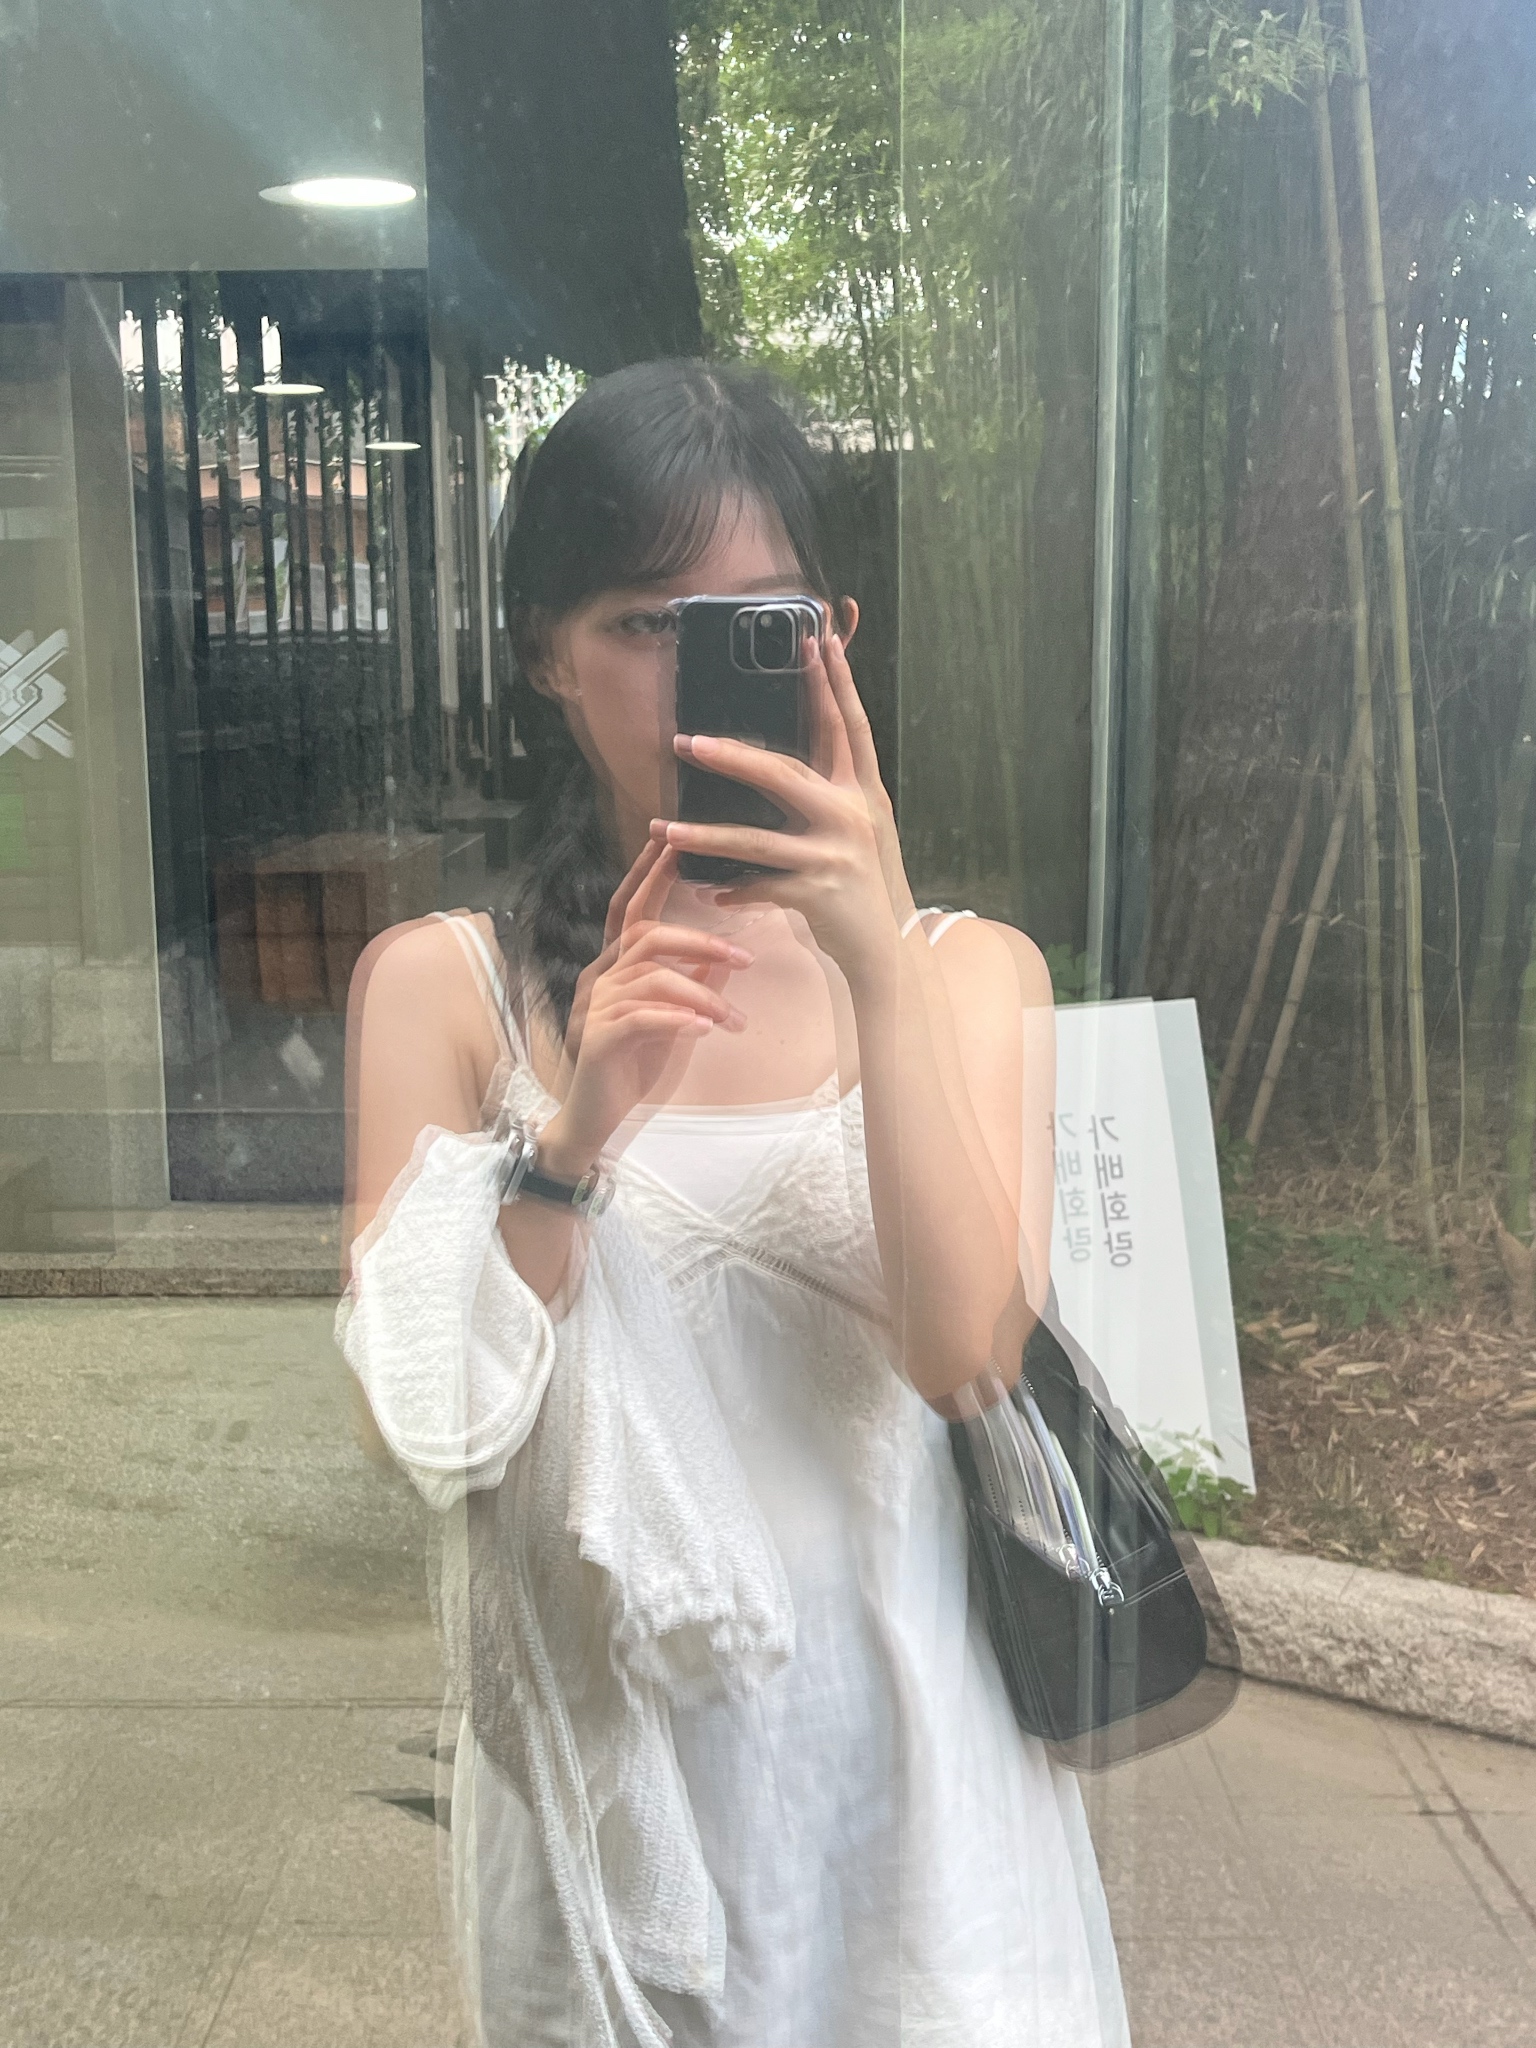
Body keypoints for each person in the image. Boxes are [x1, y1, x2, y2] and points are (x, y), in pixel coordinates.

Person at [339, 359, 1129, 2048]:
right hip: (614, 1800)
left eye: (759, 621)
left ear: (834, 638)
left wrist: (875, 957)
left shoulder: (967, 972)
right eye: (644, 622)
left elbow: (964, 1357)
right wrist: (578, 1134)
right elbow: (418, 1423)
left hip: (914, 1800)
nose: (694, 676)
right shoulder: (445, 988)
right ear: (545, 651)